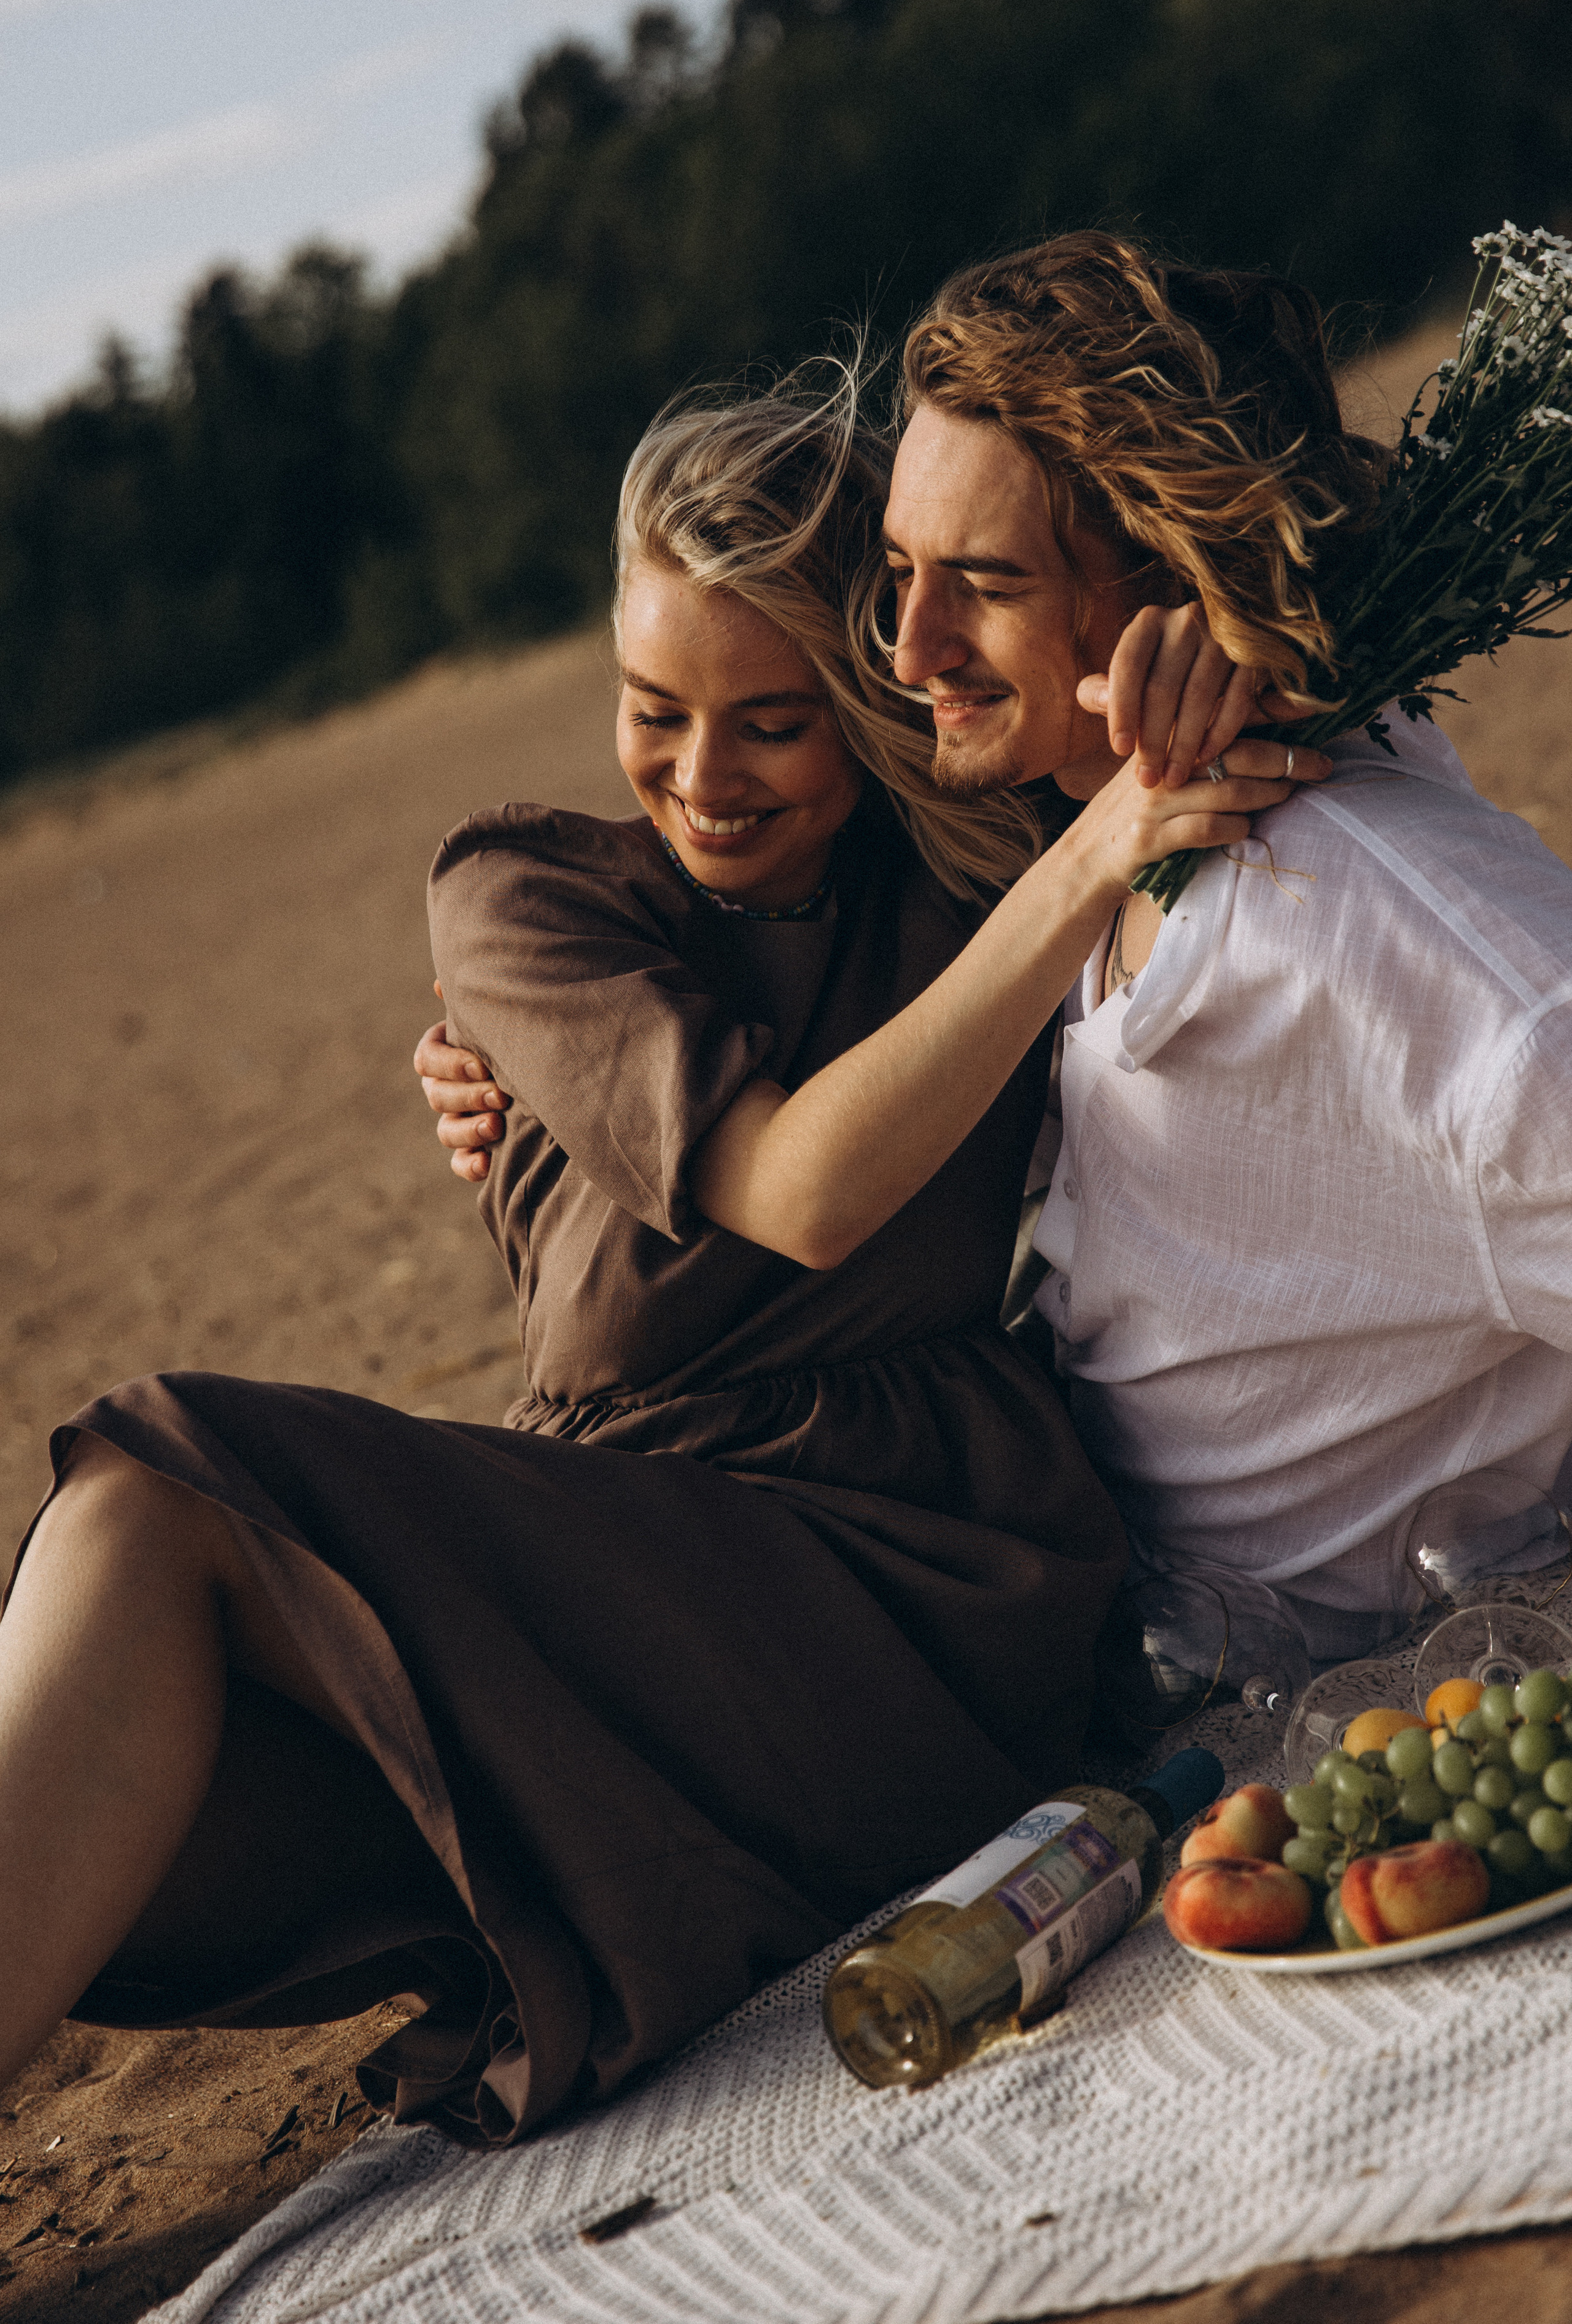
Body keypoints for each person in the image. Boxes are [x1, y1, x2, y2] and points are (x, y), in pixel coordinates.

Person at [0, 382, 1294, 2140]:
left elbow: (1184, 637)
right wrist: (1092, 855)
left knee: (160, 1488)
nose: (703, 776)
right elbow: (791, 1194)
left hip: (913, 1597)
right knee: (123, 1798)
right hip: (624, 1586)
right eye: (652, 709)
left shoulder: (983, 863)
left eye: (774, 720)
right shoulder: (529, 907)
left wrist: (1119, 789)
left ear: (871, 691)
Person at [426, 229, 1572, 1670]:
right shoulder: (1038, 844)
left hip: (1296, 1700)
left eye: (984, 583)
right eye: (898, 574)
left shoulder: (1384, 934)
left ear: (1163, 580)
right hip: (1072, 1637)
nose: (909, 654)